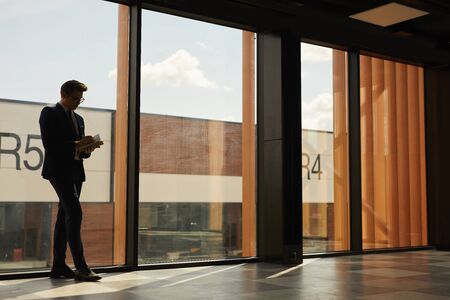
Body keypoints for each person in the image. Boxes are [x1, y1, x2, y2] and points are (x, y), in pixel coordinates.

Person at [39, 80, 102, 281]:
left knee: (64, 217)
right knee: (75, 213)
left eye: (80, 99)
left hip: (75, 172)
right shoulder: (49, 112)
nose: (78, 102)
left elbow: (80, 152)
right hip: (58, 171)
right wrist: (76, 144)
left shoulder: (79, 118)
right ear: (63, 94)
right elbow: (49, 144)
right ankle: (81, 268)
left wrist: (87, 149)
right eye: (75, 98)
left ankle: (58, 266)